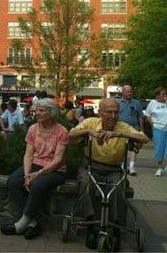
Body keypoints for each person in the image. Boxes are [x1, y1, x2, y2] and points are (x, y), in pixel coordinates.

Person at [68, 98, 149, 249]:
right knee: (87, 184)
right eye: (109, 112)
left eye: (116, 112)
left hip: (113, 169)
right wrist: (88, 131)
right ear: (100, 112)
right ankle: (91, 229)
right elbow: (70, 134)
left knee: (119, 188)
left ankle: (116, 230)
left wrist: (119, 135)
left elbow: (144, 138)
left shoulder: (123, 127)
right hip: (90, 167)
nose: (113, 116)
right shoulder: (91, 122)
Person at [0, 98, 68, 240]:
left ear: (52, 112)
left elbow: (58, 160)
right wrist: (26, 175)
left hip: (54, 169)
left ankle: (21, 224)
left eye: (41, 110)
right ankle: (32, 223)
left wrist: (37, 174)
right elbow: (28, 154)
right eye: (36, 110)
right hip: (35, 164)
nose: (37, 113)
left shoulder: (61, 131)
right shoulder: (32, 128)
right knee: (13, 181)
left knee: (37, 184)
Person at [145, 87, 167, 177]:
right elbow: (147, 116)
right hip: (158, 129)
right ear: (157, 95)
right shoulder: (152, 103)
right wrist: (153, 124)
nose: (165, 96)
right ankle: (159, 167)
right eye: (163, 94)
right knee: (159, 149)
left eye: (166, 94)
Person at [117, 85, 145, 175]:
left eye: (131, 91)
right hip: (121, 129)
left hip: (134, 129)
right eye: (128, 91)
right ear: (123, 92)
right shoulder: (117, 102)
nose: (130, 93)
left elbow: (140, 116)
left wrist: (141, 129)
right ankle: (121, 166)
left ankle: (131, 167)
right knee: (121, 148)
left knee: (134, 147)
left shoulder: (136, 103)